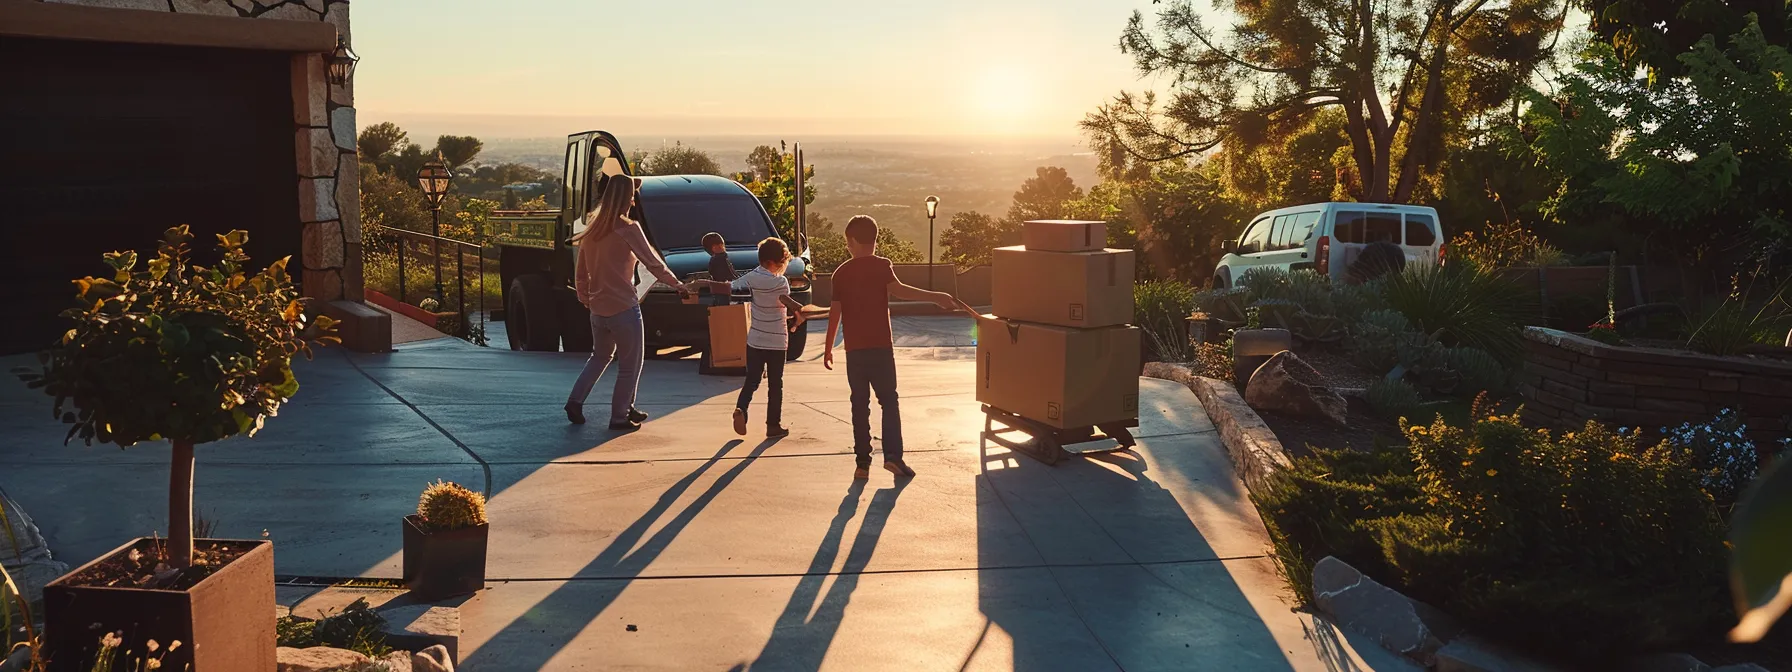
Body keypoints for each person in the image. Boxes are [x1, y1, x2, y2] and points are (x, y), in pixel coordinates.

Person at [823, 215, 961, 480]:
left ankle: (862, 464)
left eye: (847, 242)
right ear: (875, 239)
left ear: (852, 241)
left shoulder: (840, 273)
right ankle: (893, 458)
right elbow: (901, 290)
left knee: (859, 405)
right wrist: (936, 297)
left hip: (855, 352)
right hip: (881, 349)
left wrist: (829, 348)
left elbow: (834, 313)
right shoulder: (882, 266)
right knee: (889, 401)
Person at [565, 175, 690, 431]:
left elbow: (581, 272)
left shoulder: (592, 228)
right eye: (632, 195)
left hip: (598, 309)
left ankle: (576, 401)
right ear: (626, 198)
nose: (634, 200)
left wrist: (585, 298)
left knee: (599, 357)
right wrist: (678, 285)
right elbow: (652, 262)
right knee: (630, 365)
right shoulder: (629, 228)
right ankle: (620, 416)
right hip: (624, 307)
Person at [692, 238, 807, 439]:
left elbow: (727, 288)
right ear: (776, 262)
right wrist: (798, 316)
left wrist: (702, 283)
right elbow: (785, 302)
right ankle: (773, 425)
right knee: (775, 384)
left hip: (755, 339)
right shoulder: (781, 282)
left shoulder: (751, 277)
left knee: (752, 380)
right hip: (777, 342)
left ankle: (741, 409)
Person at [700, 231, 736, 307]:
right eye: (719, 246)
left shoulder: (722, 259)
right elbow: (724, 275)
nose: (722, 248)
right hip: (724, 291)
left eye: (722, 245)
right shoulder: (719, 259)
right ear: (713, 249)